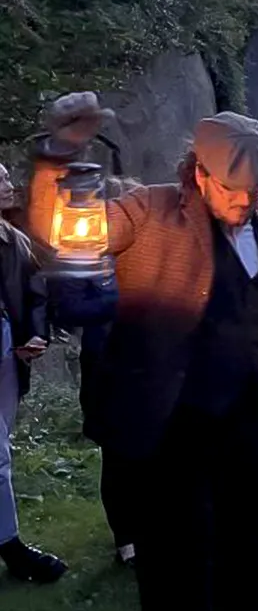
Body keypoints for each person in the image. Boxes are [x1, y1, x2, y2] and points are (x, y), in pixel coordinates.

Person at [27, 92, 258, 611]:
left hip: (252, 425)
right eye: (235, 191)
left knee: (244, 563)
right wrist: (58, 155)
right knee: (176, 570)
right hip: (173, 431)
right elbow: (61, 236)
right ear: (198, 173)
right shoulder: (148, 211)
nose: (247, 202)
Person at [0, 161, 63, 584]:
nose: (8, 184)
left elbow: (36, 293)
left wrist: (36, 336)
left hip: (6, 357)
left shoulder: (14, 240)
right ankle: (11, 548)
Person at [78, 175, 143, 567]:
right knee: (118, 460)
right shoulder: (87, 259)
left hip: (149, 368)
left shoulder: (150, 252)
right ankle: (126, 539)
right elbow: (73, 309)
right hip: (107, 369)